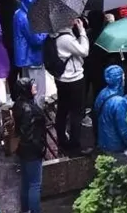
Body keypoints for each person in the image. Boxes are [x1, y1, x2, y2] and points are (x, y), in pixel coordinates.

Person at [94, 65, 127, 184]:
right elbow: (124, 130)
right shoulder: (119, 102)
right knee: (122, 180)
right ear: (120, 80)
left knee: (110, 175)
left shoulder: (102, 93)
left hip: (104, 142)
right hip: (117, 146)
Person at [54, 18, 90, 155]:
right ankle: (74, 146)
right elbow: (84, 51)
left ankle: (62, 140)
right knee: (76, 113)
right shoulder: (65, 39)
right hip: (73, 79)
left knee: (62, 110)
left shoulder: (55, 34)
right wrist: (82, 32)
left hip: (62, 79)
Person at [12, 78, 46, 213]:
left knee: (26, 181)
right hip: (32, 150)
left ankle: (24, 210)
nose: (35, 87)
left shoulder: (18, 105)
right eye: (32, 86)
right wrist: (40, 149)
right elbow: (31, 133)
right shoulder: (31, 110)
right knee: (35, 184)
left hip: (22, 150)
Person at [13, 0, 47, 106]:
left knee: (28, 88)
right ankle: (38, 112)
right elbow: (37, 40)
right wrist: (46, 30)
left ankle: (30, 110)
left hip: (25, 57)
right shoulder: (26, 18)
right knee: (37, 89)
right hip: (33, 58)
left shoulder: (18, 13)